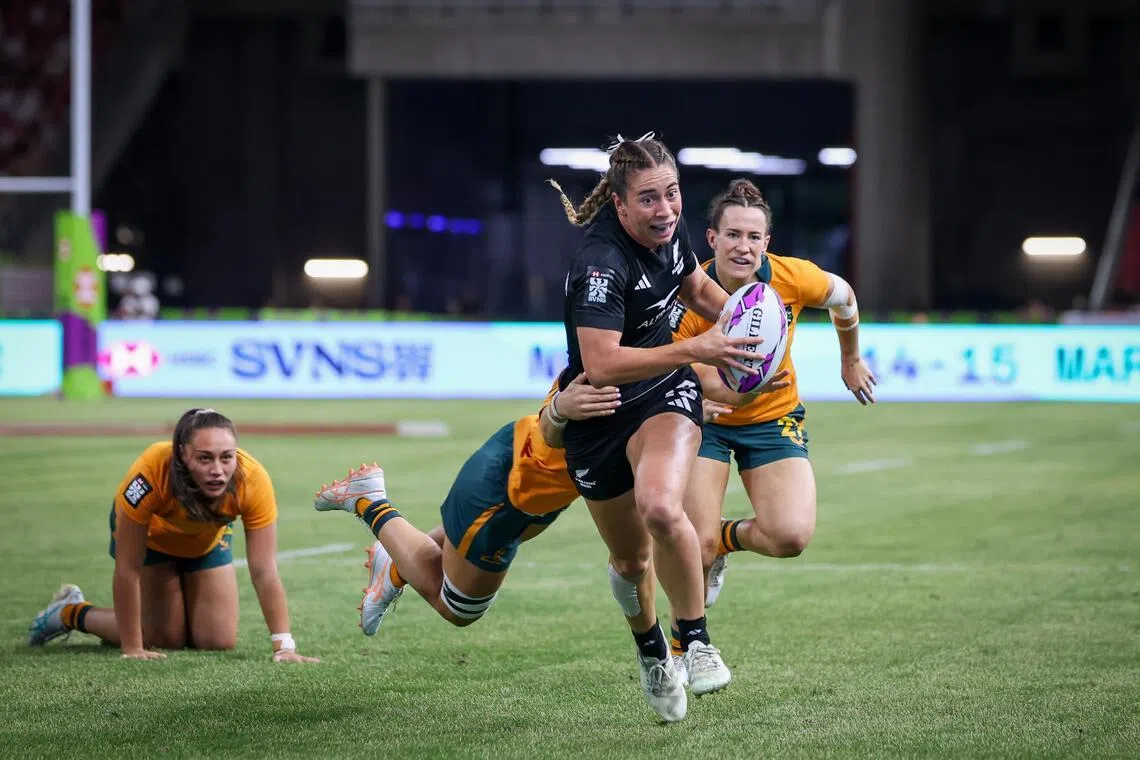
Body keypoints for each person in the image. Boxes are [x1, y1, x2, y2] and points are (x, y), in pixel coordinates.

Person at [548, 132, 765, 723]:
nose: (666, 209)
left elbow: (693, 285)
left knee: (662, 508)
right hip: (599, 412)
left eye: (671, 194)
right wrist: (697, 347)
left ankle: (694, 640)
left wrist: (746, 320)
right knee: (630, 563)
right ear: (620, 205)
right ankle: (651, 653)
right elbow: (601, 365)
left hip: (664, 392)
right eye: (648, 199)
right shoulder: (601, 263)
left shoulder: (670, 230)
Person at [668, 178, 876, 663]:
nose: (743, 246)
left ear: (767, 242)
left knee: (790, 537)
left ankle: (725, 538)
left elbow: (845, 298)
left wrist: (850, 358)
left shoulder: (792, 277)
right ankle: (683, 652)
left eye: (753, 236)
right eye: (732, 235)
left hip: (773, 418)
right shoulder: (688, 294)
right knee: (694, 546)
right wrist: (710, 392)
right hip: (707, 419)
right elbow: (675, 365)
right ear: (712, 238)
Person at [27, 408, 318, 663]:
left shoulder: (252, 479)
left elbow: (264, 570)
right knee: (163, 637)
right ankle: (70, 612)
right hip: (152, 540)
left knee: (216, 640)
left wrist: (284, 647)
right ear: (182, 453)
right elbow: (127, 569)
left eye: (226, 458)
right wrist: (133, 647)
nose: (217, 470)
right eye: (205, 458)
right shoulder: (151, 471)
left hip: (205, 541)